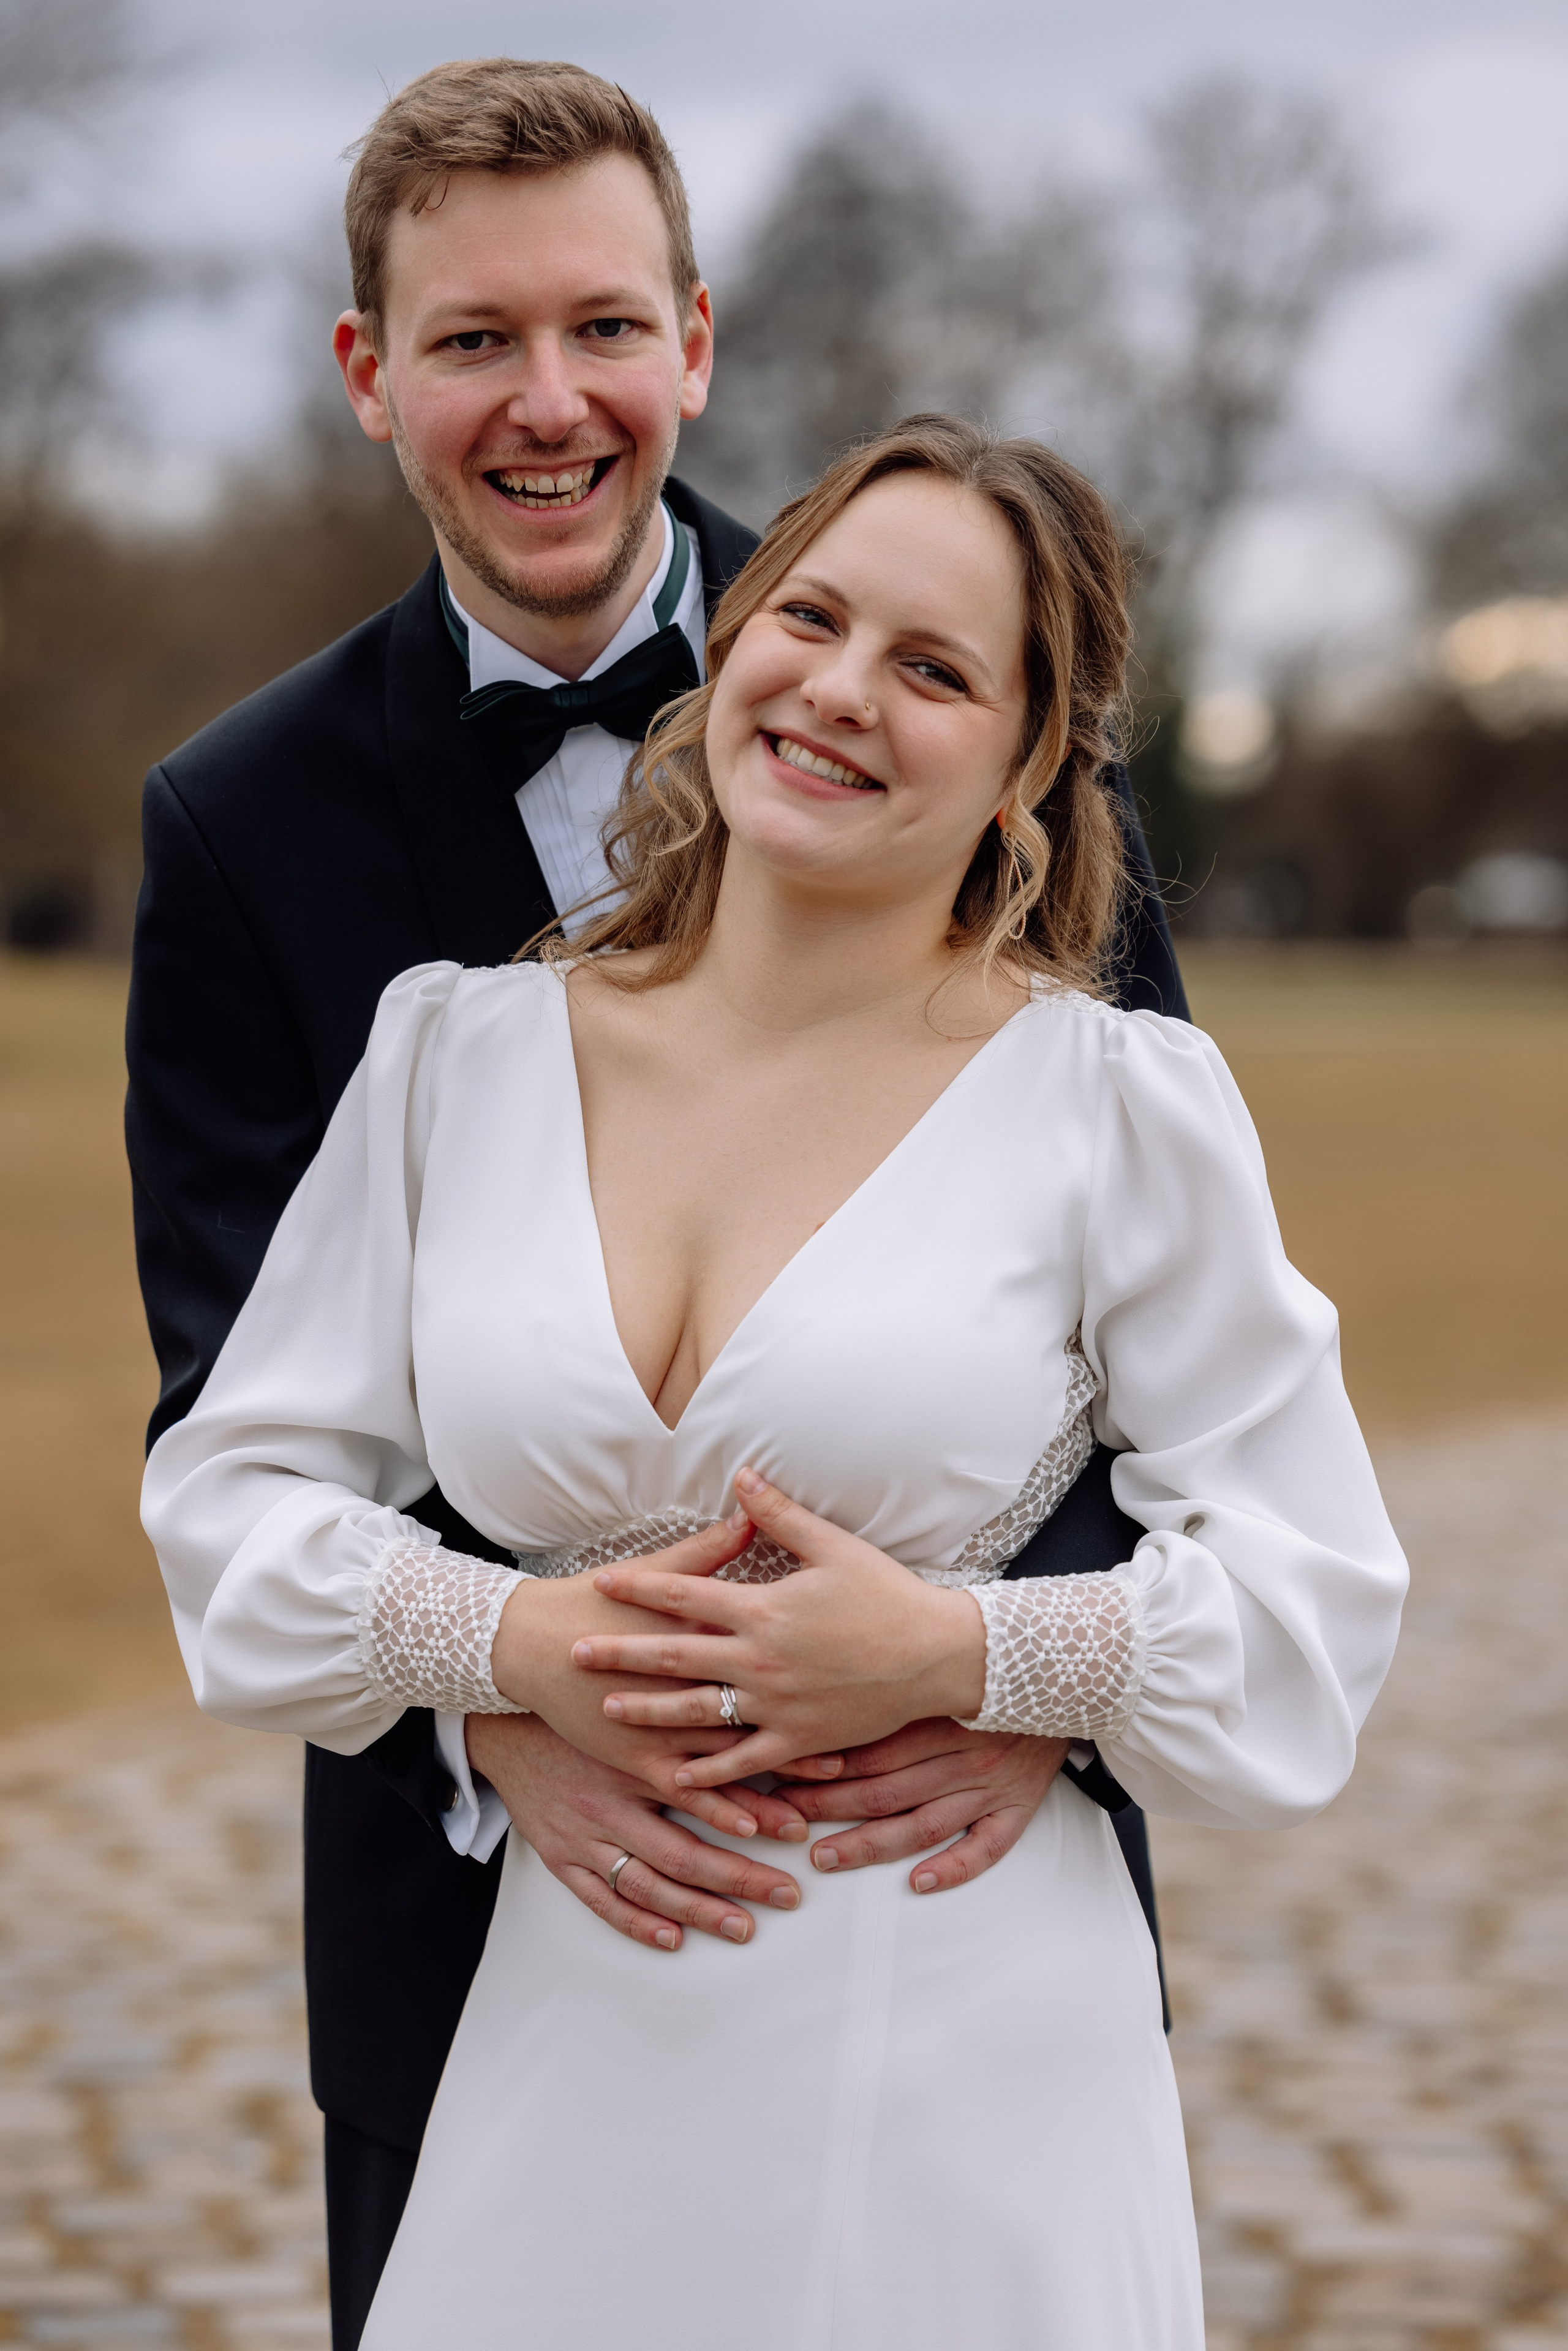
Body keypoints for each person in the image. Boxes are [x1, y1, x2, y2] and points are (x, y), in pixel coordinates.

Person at [143, 413, 1407, 2348]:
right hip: (562, 2027)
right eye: (806, 616)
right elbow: (231, 1510)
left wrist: (975, 1661)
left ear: (1028, 767)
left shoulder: (1112, 1106)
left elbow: (1312, 1601)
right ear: (731, 642)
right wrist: (509, 1647)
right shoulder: (451, 1062)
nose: (837, 691)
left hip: (959, 2047)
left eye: (934, 669)